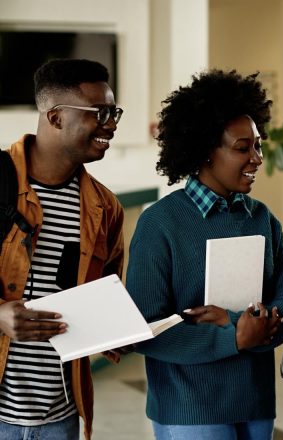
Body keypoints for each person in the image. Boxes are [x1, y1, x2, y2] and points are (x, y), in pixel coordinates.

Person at [125, 69, 283, 440]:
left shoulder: (262, 218)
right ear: (206, 151)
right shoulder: (160, 223)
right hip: (189, 409)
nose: (257, 158)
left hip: (255, 404)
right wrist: (236, 337)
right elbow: (144, 330)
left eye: (258, 145)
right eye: (243, 148)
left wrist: (241, 322)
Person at [0, 59, 125, 439]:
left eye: (114, 112)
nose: (111, 124)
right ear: (55, 117)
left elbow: (107, 299)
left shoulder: (105, 208)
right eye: (99, 112)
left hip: (61, 417)